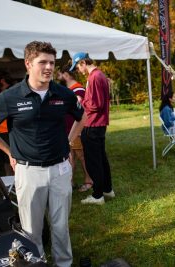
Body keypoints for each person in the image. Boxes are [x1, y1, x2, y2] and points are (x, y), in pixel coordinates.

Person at [0, 41, 86, 267]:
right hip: (29, 171)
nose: (48, 67)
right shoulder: (11, 96)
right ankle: (36, 264)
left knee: (60, 226)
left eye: (52, 63)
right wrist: (8, 150)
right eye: (42, 62)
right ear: (28, 64)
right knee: (31, 230)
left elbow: (81, 116)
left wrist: (68, 141)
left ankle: (63, 264)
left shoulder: (62, 93)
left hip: (60, 169)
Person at [70, 52, 115, 205]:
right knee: (101, 159)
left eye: (77, 66)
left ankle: (98, 196)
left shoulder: (94, 77)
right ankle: (107, 190)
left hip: (92, 124)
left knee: (93, 161)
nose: (78, 70)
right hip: (99, 124)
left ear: (83, 62)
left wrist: (81, 103)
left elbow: (96, 105)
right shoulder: (99, 75)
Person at [58, 65, 93, 192]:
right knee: (70, 157)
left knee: (82, 156)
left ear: (66, 75)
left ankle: (89, 181)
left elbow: (82, 112)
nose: (58, 76)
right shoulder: (68, 89)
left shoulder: (78, 90)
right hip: (67, 129)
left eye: (60, 73)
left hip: (76, 129)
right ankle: (70, 182)